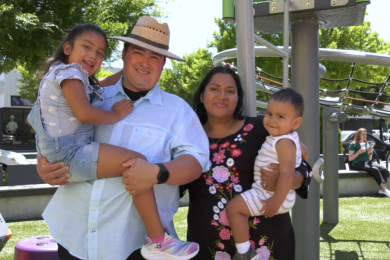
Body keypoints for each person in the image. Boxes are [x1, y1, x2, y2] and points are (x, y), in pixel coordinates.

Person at [35, 16, 209, 260]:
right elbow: (52, 126)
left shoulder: (177, 110)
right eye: (139, 52)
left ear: (163, 64)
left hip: (133, 244)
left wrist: (158, 172)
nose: (145, 63)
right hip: (74, 234)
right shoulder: (90, 96)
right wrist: (44, 165)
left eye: (155, 57)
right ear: (124, 54)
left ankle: (158, 240)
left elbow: (195, 162)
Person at [181, 66, 312, 260]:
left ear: (238, 98)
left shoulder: (264, 127)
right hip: (209, 246)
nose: (222, 96)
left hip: (268, 243)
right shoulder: (186, 138)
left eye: (231, 91)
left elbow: (303, 164)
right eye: (214, 89)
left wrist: (289, 179)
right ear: (202, 96)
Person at [225, 88, 304, 259]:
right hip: (271, 193)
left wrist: (276, 201)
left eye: (280, 116)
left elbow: (286, 174)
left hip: (270, 194)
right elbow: (305, 152)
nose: (272, 120)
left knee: (233, 209)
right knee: (235, 209)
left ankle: (244, 252)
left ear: (296, 123)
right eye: (269, 113)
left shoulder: (284, 142)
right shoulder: (285, 138)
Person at [349, 128, 390, 197]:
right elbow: (350, 158)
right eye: (363, 134)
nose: (365, 136)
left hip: (367, 162)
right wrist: (359, 152)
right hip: (357, 163)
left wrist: (370, 151)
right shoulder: (353, 144)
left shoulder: (366, 143)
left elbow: (370, 158)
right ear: (358, 135)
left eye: (365, 134)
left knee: (384, 169)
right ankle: (385, 189)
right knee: (374, 169)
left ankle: (381, 190)